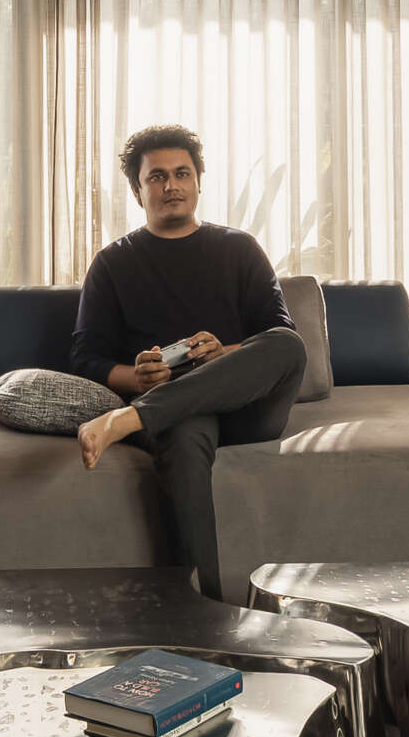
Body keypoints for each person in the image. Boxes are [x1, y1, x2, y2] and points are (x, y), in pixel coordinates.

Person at [70, 123, 306, 602]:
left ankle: (128, 419)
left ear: (198, 182)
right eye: (156, 177)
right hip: (176, 413)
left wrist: (224, 353)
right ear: (138, 191)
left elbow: (277, 335)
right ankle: (203, 613)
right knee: (181, 430)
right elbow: (85, 357)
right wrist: (136, 377)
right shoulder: (113, 263)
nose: (171, 185)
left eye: (181, 174)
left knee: (287, 343)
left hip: (246, 407)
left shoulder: (239, 249)